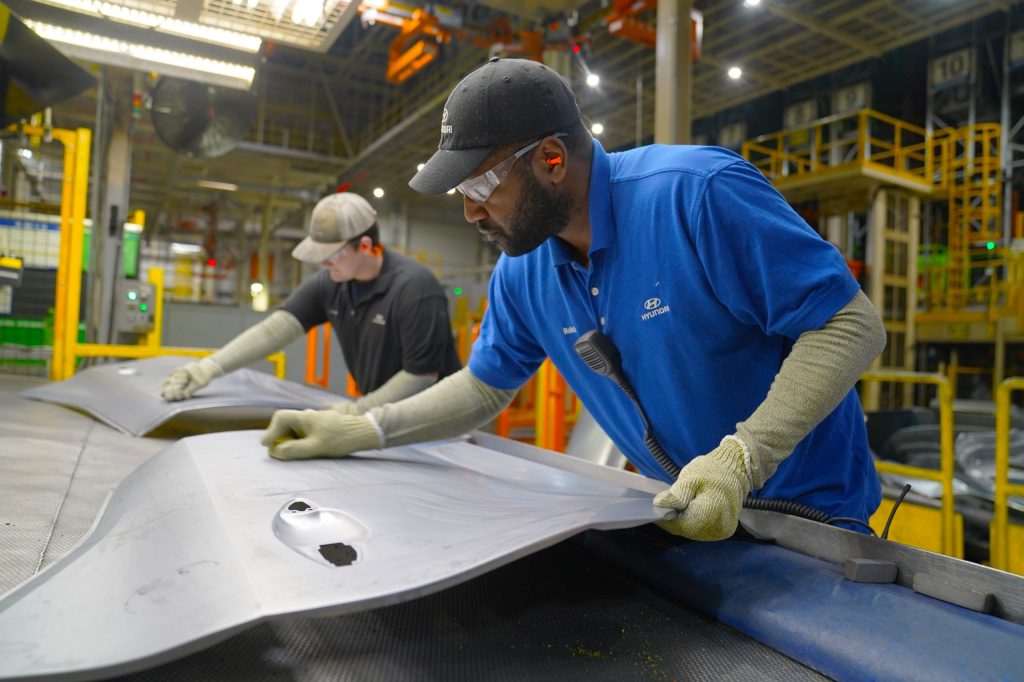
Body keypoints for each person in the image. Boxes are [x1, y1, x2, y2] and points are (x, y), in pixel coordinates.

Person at [261, 58, 886, 542]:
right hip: (681, 515)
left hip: (809, 520)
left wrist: (742, 459)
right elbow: (484, 387)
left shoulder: (696, 196)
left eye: (480, 183)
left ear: (553, 159)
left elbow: (850, 324)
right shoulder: (522, 267)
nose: (470, 210)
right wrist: (362, 429)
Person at [161, 192, 462, 417]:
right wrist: (207, 369)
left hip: (437, 425)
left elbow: (421, 377)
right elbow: (274, 331)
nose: (324, 262)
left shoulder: (415, 289)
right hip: (383, 416)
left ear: (366, 246)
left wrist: (352, 414)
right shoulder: (333, 282)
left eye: (334, 254)